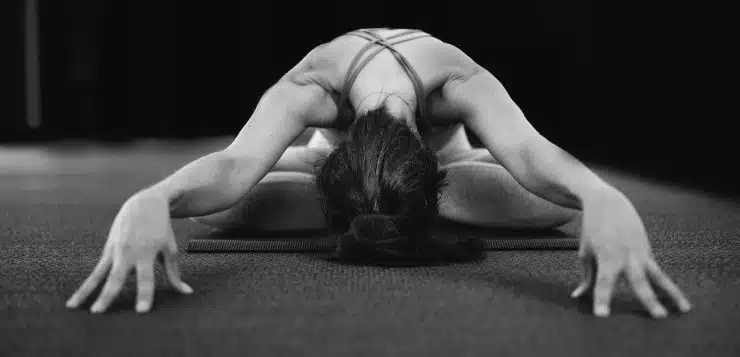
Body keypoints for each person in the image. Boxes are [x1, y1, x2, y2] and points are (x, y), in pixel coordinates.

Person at [66, 28, 691, 317]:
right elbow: (233, 165)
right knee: (223, 206)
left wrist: (601, 195)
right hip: (327, 166)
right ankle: (365, 187)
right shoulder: (312, 85)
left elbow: (528, 154)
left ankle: (435, 180)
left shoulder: (456, 79)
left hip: (450, 168)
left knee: (563, 205)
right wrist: (151, 197)